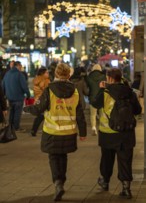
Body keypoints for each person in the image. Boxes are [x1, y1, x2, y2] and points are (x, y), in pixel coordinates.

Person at [23, 63, 87, 201]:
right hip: (69, 131)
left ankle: (58, 182)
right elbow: (80, 113)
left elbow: (39, 109)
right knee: (63, 156)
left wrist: (27, 108)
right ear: (68, 75)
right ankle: (61, 182)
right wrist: (83, 132)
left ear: (56, 74)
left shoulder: (49, 90)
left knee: (53, 157)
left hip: (52, 131)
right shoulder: (75, 91)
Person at [92, 68, 141, 199]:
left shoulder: (106, 92)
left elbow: (95, 103)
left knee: (107, 159)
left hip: (108, 133)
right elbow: (137, 110)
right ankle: (126, 188)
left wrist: (102, 89)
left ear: (110, 78)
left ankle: (105, 181)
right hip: (126, 133)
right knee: (125, 160)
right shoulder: (130, 92)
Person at [2, 61, 30, 131]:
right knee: (17, 112)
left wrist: (4, 95)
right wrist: (28, 94)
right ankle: (16, 127)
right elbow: (24, 86)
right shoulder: (20, 75)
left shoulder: (7, 74)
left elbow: (3, 85)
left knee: (11, 112)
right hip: (18, 96)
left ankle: (10, 126)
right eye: (20, 66)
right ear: (18, 66)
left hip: (9, 97)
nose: (21, 68)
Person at [86, 63, 106, 135]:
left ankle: (94, 128)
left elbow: (87, 88)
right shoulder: (104, 76)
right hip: (101, 97)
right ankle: (102, 128)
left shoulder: (89, 77)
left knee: (93, 115)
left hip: (92, 98)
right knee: (102, 114)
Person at [30, 67, 50, 136]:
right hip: (44, 100)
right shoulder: (45, 80)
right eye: (47, 72)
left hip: (37, 100)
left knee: (40, 116)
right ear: (42, 74)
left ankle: (34, 130)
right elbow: (47, 91)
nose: (48, 74)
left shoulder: (35, 80)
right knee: (45, 116)